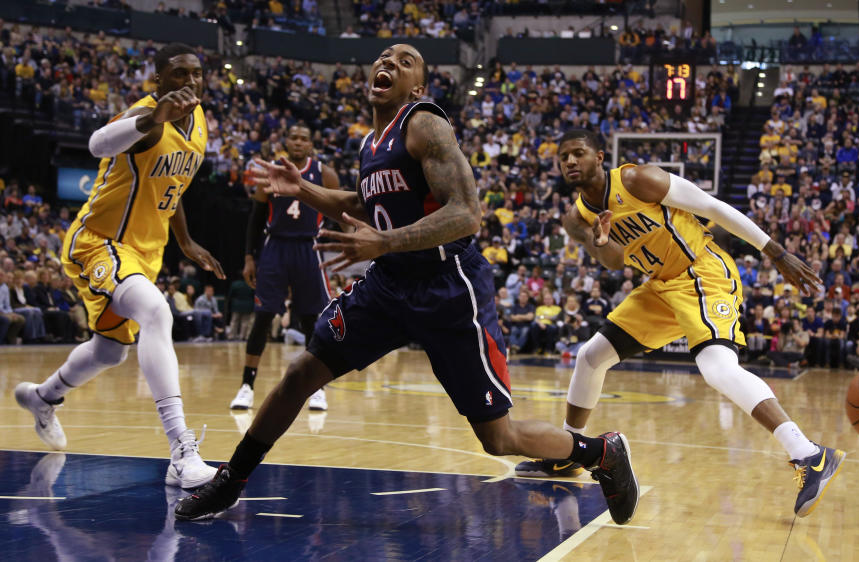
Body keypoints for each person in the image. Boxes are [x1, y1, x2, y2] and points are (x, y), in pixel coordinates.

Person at [175, 45, 638, 523]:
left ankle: (599, 452)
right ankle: (231, 480)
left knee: (497, 437)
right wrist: (304, 190)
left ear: (417, 86)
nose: (388, 62)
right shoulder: (369, 144)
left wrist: (387, 242)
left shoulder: (424, 123)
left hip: (449, 287)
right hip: (391, 284)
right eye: (383, 57)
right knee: (300, 373)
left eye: (404, 60)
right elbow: (363, 204)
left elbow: (467, 213)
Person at [513, 129, 844, 518]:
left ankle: (809, 453)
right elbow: (616, 261)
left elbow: (713, 207)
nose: (570, 161)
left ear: (599, 156)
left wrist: (776, 252)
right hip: (659, 287)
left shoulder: (639, 180)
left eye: (578, 153)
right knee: (590, 357)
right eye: (563, 156)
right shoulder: (577, 218)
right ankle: (569, 451)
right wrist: (600, 243)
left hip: (701, 272)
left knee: (717, 369)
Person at [13, 43, 224, 489]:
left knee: (110, 351)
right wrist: (152, 117)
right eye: (179, 74)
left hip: (145, 252)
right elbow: (96, 144)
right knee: (157, 312)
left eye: (197, 74)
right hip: (100, 242)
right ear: (158, 81)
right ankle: (181, 451)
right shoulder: (147, 118)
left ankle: (42, 397)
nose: (190, 82)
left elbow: (175, 183)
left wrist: (185, 241)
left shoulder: (200, 121)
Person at [230, 123, 338, 412]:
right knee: (263, 317)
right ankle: (246, 386)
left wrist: (337, 251)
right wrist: (249, 257)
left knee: (310, 321)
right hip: (275, 247)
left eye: (305, 138)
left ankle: (317, 390)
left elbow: (340, 214)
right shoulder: (271, 172)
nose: (299, 142)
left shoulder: (325, 173)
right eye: (294, 137)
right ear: (285, 141)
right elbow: (254, 218)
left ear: (311, 144)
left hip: (309, 248)